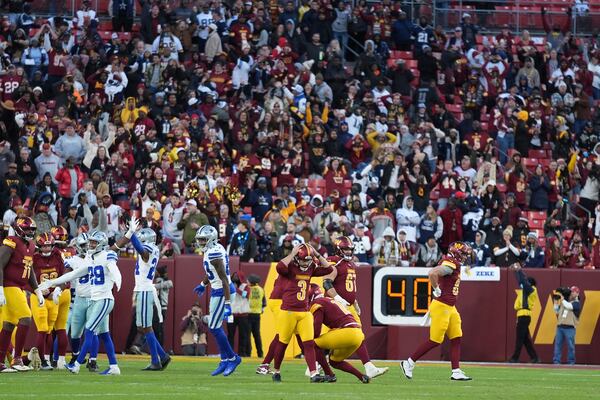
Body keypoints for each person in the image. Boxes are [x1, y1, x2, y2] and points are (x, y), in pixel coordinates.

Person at [39, 228, 133, 375]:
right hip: (94, 300)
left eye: (94, 242)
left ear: (101, 244)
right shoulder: (91, 260)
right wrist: (53, 283)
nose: (90, 245)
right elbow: (74, 274)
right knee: (103, 334)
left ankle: (77, 364)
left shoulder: (106, 255)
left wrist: (117, 279)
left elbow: (113, 267)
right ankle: (114, 366)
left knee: (89, 331)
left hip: (104, 299)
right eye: (90, 242)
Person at [401, 242, 473, 381]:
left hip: (450, 307)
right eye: (463, 254)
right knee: (435, 340)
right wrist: (436, 289)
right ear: (456, 253)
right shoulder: (450, 263)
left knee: (456, 337)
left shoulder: (453, 263)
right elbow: (432, 272)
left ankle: (456, 371)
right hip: (441, 306)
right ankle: (408, 362)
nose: (465, 257)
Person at [322, 236, 388, 379]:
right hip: (336, 304)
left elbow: (348, 287)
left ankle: (368, 367)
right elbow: (327, 283)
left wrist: (355, 302)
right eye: (345, 249)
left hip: (348, 305)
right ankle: (316, 365)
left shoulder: (350, 263)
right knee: (350, 334)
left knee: (358, 335)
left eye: (350, 249)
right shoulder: (335, 261)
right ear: (338, 249)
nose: (348, 251)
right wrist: (338, 298)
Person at [270, 243, 333, 383]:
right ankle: (276, 371)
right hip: (288, 311)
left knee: (309, 343)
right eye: (304, 259)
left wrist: (317, 254)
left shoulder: (311, 267)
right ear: (297, 258)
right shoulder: (290, 267)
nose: (306, 263)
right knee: (283, 342)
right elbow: (279, 267)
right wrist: (292, 254)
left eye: (308, 260)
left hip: (304, 311)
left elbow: (329, 268)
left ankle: (313, 374)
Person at [192, 225, 242, 376]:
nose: (200, 242)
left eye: (203, 239)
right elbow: (212, 272)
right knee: (215, 327)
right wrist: (203, 284)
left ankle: (232, 358)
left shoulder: (214, 254)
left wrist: (228, 304)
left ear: (211, 239)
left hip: (222, 291)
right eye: (199, 239)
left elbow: (225, 279)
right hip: (217, 290)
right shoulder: (214, 249)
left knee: (214, 327)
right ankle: (225, 359)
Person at [0, 217, 45, 372]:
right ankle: (17, 359)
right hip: (8, 285)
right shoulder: (11, 241)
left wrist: (37, 290)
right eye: (27, 229)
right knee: (26, 317)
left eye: (32, 229)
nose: (30, 232)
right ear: (19, 229)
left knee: (9, 324)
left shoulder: (31, 246)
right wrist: (0, 289)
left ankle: (0, 362)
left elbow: (30, 269)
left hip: (19, 287)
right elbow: (0, 264)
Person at [127, 227, 171, 370]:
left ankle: (156, 360)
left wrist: (131, 235)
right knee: (142, 327)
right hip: (142, 289)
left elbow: (142, 251)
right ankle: (162, 356)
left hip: (145, 290)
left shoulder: (149, 249)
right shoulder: (153, 248)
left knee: (146, 327)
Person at [308, 284, 369, 383]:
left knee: (312, 344)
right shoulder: (328, 300)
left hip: (347, 332)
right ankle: (362, 376)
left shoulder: (317, 304)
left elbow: (317, 330)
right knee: (334, 361)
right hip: (358, 335)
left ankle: (329, 375)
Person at [63, 233, 101, 372]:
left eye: (89, 244)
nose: (88, 247)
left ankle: (93, 360)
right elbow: (66, 272)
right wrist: (59, 287)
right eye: (85, 244)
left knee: (93, 331)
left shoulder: (97, 257)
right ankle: (75, 355)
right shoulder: (74, 260)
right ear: (78, 246)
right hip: (79, 298)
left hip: (94, 298)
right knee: (75, 333)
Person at [30, 232, 66, 370]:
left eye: (49, 246)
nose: (47, 249)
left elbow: (65, 277)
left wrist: (57, 289)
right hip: (38, 297)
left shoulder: (58, 257)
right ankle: (42, 361)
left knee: (50, 330)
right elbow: (26, 278)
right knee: (43, 329)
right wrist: (37, 290)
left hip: (53, 298)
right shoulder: (34, 258)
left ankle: (45, 359)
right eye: (44, 247)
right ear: (39, 246)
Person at [508, 262, 540, 363]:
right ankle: (534, 357)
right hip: (522, 315)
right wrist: (516, 272)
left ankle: (515, 357)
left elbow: (523, 282)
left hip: (524, 315)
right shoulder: (527, 289)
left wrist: (519, 270)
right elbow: (521, 281)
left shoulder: (532, 290)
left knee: (520, 338)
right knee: (525, 339)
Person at [553, 286, 581, 365]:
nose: (572, 293)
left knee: (570, 346)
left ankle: (571, 362)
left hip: (570, 328)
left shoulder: (577, 303)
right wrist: (555, 301)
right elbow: (556, 310)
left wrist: (562, 299)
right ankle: (556, 362)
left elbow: (569, 306)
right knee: (558, 345)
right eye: (571, 292)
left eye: (574, 292)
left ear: (577, 293)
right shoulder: (564, 302)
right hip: (560, 326)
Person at [248, 274, 265, 358]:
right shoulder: (261, 289)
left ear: (251, 282)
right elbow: (264, 303)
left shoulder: (248, 289)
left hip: (248, 314)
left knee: (247, 335)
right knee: (257, 335)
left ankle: (248, 353)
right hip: (257, 314)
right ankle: (260, 353)